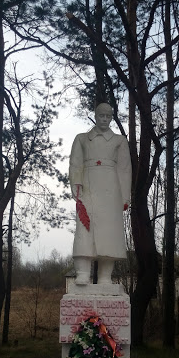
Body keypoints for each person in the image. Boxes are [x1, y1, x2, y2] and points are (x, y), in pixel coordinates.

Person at [69, 103, 132, 284]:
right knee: (84, 229)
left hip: (111, 189)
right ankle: (82, 272)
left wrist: (125, 196)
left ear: (111, 117)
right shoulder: (82, 139)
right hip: (88, 186)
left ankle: (106, 276)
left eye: (108, 116)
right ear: (95, 116)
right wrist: (76, 184)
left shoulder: (119, 141)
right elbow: (75, 163)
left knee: (109, 233)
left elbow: (124, 169)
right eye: (101, 116)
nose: (104, 119)